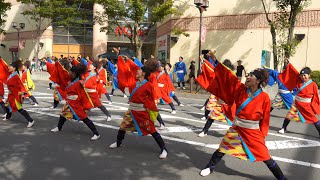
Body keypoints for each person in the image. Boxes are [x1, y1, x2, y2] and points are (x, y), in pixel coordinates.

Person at [199, 58, 286, 179]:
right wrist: (213, 63)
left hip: (253, 131)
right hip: (237, 128)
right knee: (222, 149)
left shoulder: (264, 97)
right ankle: (209, 167)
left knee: (266, 157)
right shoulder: (240, 89)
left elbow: (265, 118)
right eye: (248, 74)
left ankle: (281, 178)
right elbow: (226, 77)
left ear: (258, 81)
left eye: (251, 75)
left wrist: (263, 134)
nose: (248, 77)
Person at [109, 58, 168, 159]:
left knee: (152, 130)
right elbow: (130, 70)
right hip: (131, 111)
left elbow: (151, 98)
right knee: (122, 127)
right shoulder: (134, 83)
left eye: (139, 70)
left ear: (144, 73)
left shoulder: (148, 85)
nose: (137, 71)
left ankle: (164, 149)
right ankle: (118, 143)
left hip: (142, 112)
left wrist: (154, 104)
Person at [50, 62, 100, 141]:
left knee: (84, 118)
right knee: (62, 114)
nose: (69, 73)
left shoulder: (78, 83)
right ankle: (58, 127)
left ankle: (96, 133)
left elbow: (82, 95)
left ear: (74, 74)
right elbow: (63, 80)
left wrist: (86, 105)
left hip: (77, 104)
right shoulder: (70, 80)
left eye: (70, 72)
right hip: (70, 103)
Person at [277, 63, 320, 136]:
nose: (303, 77)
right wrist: (288, 65)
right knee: (289, 115)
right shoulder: (298, 81)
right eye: (302, 75)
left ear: (309, 75)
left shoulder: (313, 85)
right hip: (297, 103)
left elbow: (315, 97)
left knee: (314, 119)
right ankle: (283, 128)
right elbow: (293, 72)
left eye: (305, 75)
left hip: (306, 105)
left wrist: (314, 106)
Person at [197, 59, 236, 137]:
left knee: (233, 118)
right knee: (212, 116)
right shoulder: (220, 74)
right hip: (218, 98)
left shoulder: (232, 76)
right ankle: (204, 131)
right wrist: (204, 62)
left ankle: (238, 134)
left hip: (227, 100)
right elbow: (211, 70)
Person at [2, 60, 35, 128]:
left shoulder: (16, 76)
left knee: (19, 109)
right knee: (6, 105)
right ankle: (8, 116)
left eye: (10, 66)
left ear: (14, 68)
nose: (8, 67)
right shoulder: (11, 75)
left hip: (15, 95)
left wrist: (22, 93)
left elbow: (21, 85)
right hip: (11, 94)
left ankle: (31, 120)